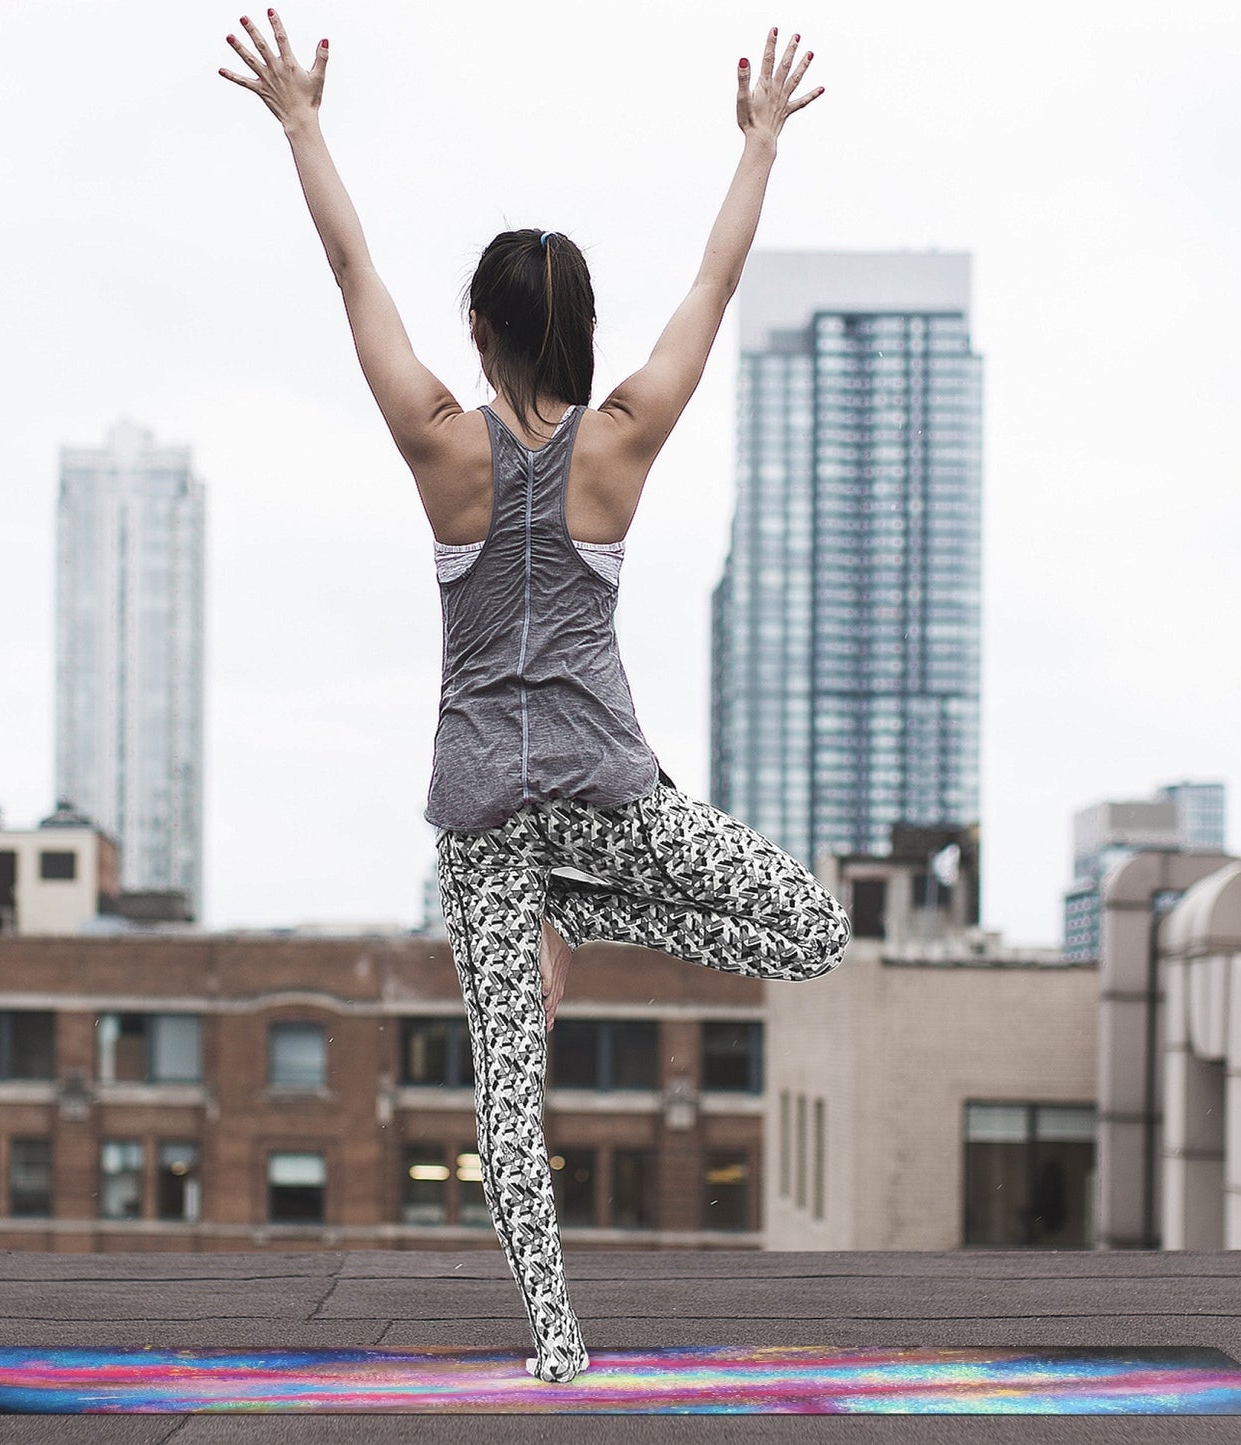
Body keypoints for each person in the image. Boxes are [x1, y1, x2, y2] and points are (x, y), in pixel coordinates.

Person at [220, 9, 851, 1384]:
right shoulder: (619, 440)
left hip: (498, 823)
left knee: (509, 1095)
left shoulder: (439, 442)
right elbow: (711, 286)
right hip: (603, 796)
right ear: (577, 334)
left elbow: (348, 269)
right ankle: (557, 1331)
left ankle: (557, 1348)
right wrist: (757, 146)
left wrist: (301, 123)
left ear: (481, 329)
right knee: (813, 933)